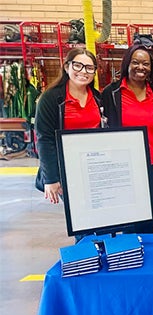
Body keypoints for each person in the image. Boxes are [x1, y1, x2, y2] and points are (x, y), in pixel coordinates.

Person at [102, 44, 153, 233]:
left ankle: (144, 255)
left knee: (148, 218)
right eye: (136, 62)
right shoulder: (112, 93)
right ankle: (127, 256)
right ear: (127, 64)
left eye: (146, 64)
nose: (141, 67)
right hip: (125, 165)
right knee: (127, 219)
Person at [35, 48, 103, 206]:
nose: (83, 72)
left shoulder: (98, 98)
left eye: (89, 68)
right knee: (79, 216)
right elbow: (44, 139)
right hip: (66, 170)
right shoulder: (51, 98)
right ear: (67, 67)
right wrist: (51, 178)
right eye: (78, 65)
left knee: (97, 212)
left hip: (93, 167)